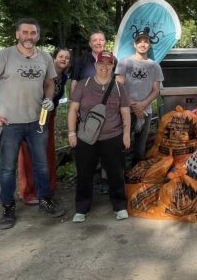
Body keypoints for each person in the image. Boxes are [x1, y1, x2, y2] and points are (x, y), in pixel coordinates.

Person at [0, 18, 65, 229]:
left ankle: (45, 200)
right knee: (8, 169)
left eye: (33, 33)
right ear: (17, 34)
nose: (29, 36)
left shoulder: (44, 57)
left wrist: (48, 97)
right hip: (9, 124)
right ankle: (8, 207)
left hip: (37, 121)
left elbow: (49, 83)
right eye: (25, 32)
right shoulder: (3, 56)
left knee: (42, 165)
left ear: (38, 35)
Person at [68, 50, 131, 223]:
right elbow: (73, 110)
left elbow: (125, 112)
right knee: (84, 173)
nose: (104, 67)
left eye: (108, 64)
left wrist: (126, 135)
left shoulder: (118, 86)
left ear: (113, 66)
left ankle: (119, 205)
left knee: (116, 172)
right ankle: (82, 208)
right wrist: (72, 133)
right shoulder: (83, 84)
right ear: (95, 65)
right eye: (101, 63)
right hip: (86, 137)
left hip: (113, 136)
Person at [18, 47, 72, 204]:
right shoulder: (42, 72)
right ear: (53, 58)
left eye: (67, 58)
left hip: (49, 116)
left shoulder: (63, 77)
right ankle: (29, 191)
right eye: (61, 56)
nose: (64, 59)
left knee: (47, 151)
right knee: (28, 153)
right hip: (31, 116)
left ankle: (47, 187)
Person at [71, 31, 116, 193]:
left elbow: (116, 83)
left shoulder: (112, 58)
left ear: (105, 42)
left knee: (107, 145)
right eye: (95, 40)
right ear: (90, 44)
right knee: (88, 145)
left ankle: (105, 179)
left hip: (107, 111)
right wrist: (74, 106)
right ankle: (88, 179)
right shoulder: (82, 60)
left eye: (101, 40)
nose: (98, 42)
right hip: (85, 112)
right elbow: (74, 82)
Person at [115, 31, 164, 167]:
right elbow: (119, 85)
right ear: (134, 44)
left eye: (146, 41)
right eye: (140, 41)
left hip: (145, 111)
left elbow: (156, 90)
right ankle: (119, 176)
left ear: (149, 45)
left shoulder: (154, 66)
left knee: (140, 148)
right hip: (126, 111)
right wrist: (134, 105)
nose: (143, 44)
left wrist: (143, 104)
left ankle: (135, 176)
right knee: (122, 144)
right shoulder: (125, 62)